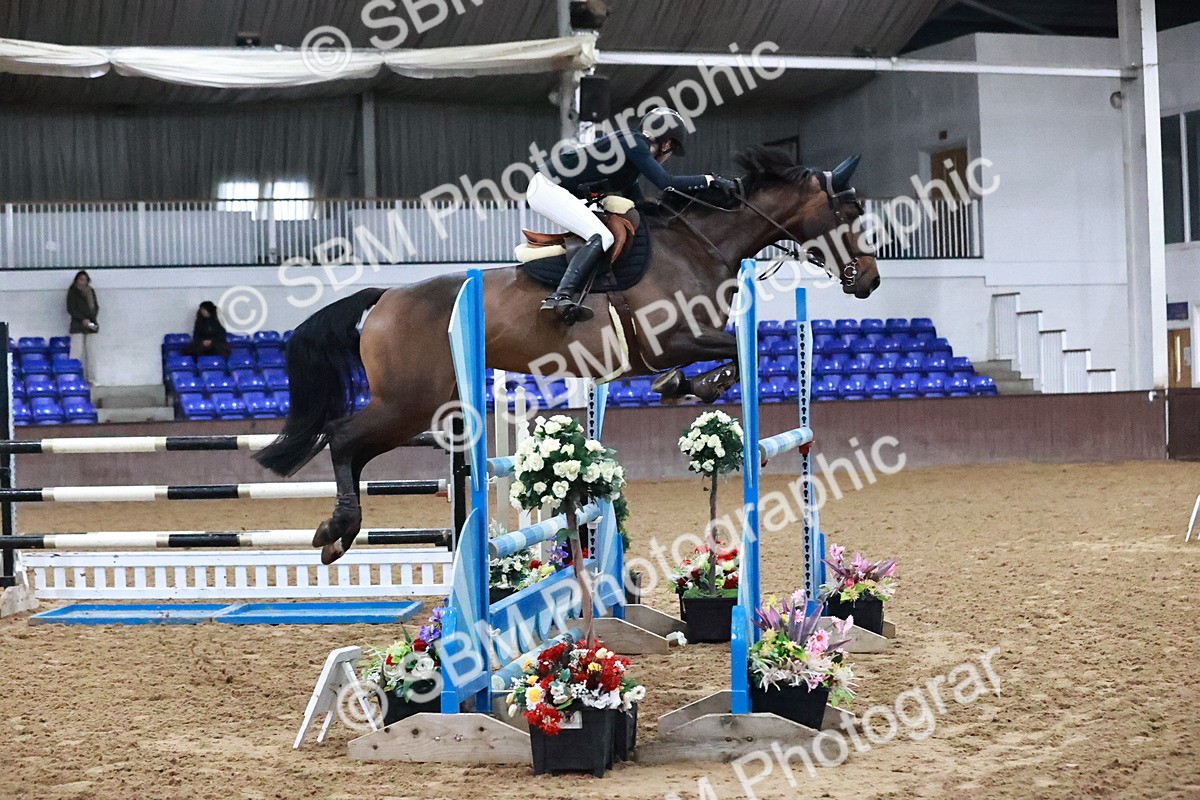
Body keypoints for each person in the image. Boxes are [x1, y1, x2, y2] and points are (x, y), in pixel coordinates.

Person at [527, 107, 739, 323]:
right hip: (547, 187)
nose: (668, 157)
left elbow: (640, 205)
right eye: (671, 151)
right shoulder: (635, 144)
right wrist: (709, 180)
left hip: (556, 188)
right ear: (666, 144)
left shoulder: (630, 162)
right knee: (601, 236)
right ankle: (559, 297)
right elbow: (666, 183)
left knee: (603, 234)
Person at [66, 270, 99, 381]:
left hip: (91, 324)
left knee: (91, 353)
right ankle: (73, 377)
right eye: (81, 279)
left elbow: (95, 307)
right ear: (76, 280)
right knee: (76, 351)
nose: (83, 282)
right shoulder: (72, 292)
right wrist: (82, 319)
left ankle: (92, 378)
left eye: (85, 279)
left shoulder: (90, 291)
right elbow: (71, 309)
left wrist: (91, 319)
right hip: (77, 325)